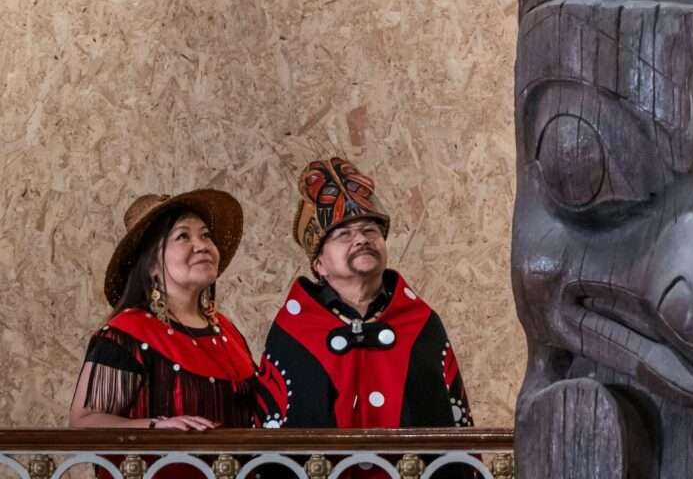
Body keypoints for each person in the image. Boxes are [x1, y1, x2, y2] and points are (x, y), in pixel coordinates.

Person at [255, 157, 474, 476]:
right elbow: (273, 440)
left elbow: (453, 421)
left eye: (370, 230)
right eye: (343, 234)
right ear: (319, 264)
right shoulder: (293, 334)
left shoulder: (420, 322)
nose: (361, 239)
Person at [69, 190, 257, 438]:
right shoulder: (126, 334)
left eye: (206, 235)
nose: (201, 246)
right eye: (183, 236)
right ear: (152, 265)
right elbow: (84, 421)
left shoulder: (227, 331)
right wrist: (155, 427)